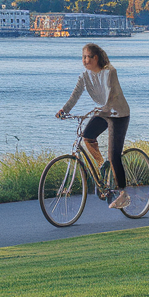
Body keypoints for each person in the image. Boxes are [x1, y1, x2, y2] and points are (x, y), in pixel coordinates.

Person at [55, 43, 132, 209]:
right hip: (103, 113)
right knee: (87, 137)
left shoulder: (109, 72)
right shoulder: (84, 76)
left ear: (95, 58)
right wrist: (64, 110)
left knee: (114, 155)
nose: (84, 60)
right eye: (83, 57)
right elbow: (75, 94)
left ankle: (123, 194)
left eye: (88, 57)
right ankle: (101, 166)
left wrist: (102, 108)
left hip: (118, 114)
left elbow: (110, 94)